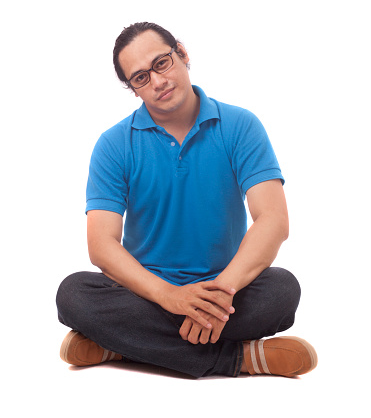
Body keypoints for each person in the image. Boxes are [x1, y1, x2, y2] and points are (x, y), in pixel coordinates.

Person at [56, 22, 317, 378]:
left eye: (161, 63)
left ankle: (117, 345)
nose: (157, 81)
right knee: (73, 294)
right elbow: (101, 245)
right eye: (140, 78)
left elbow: (273, 220)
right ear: (133, 89)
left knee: (283, 290)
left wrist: (221, 294)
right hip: (145, 294)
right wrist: (169, 297)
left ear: (182, 53)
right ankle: (239, 359)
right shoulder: (113, 145)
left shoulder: (240, 126)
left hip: (225, 290)